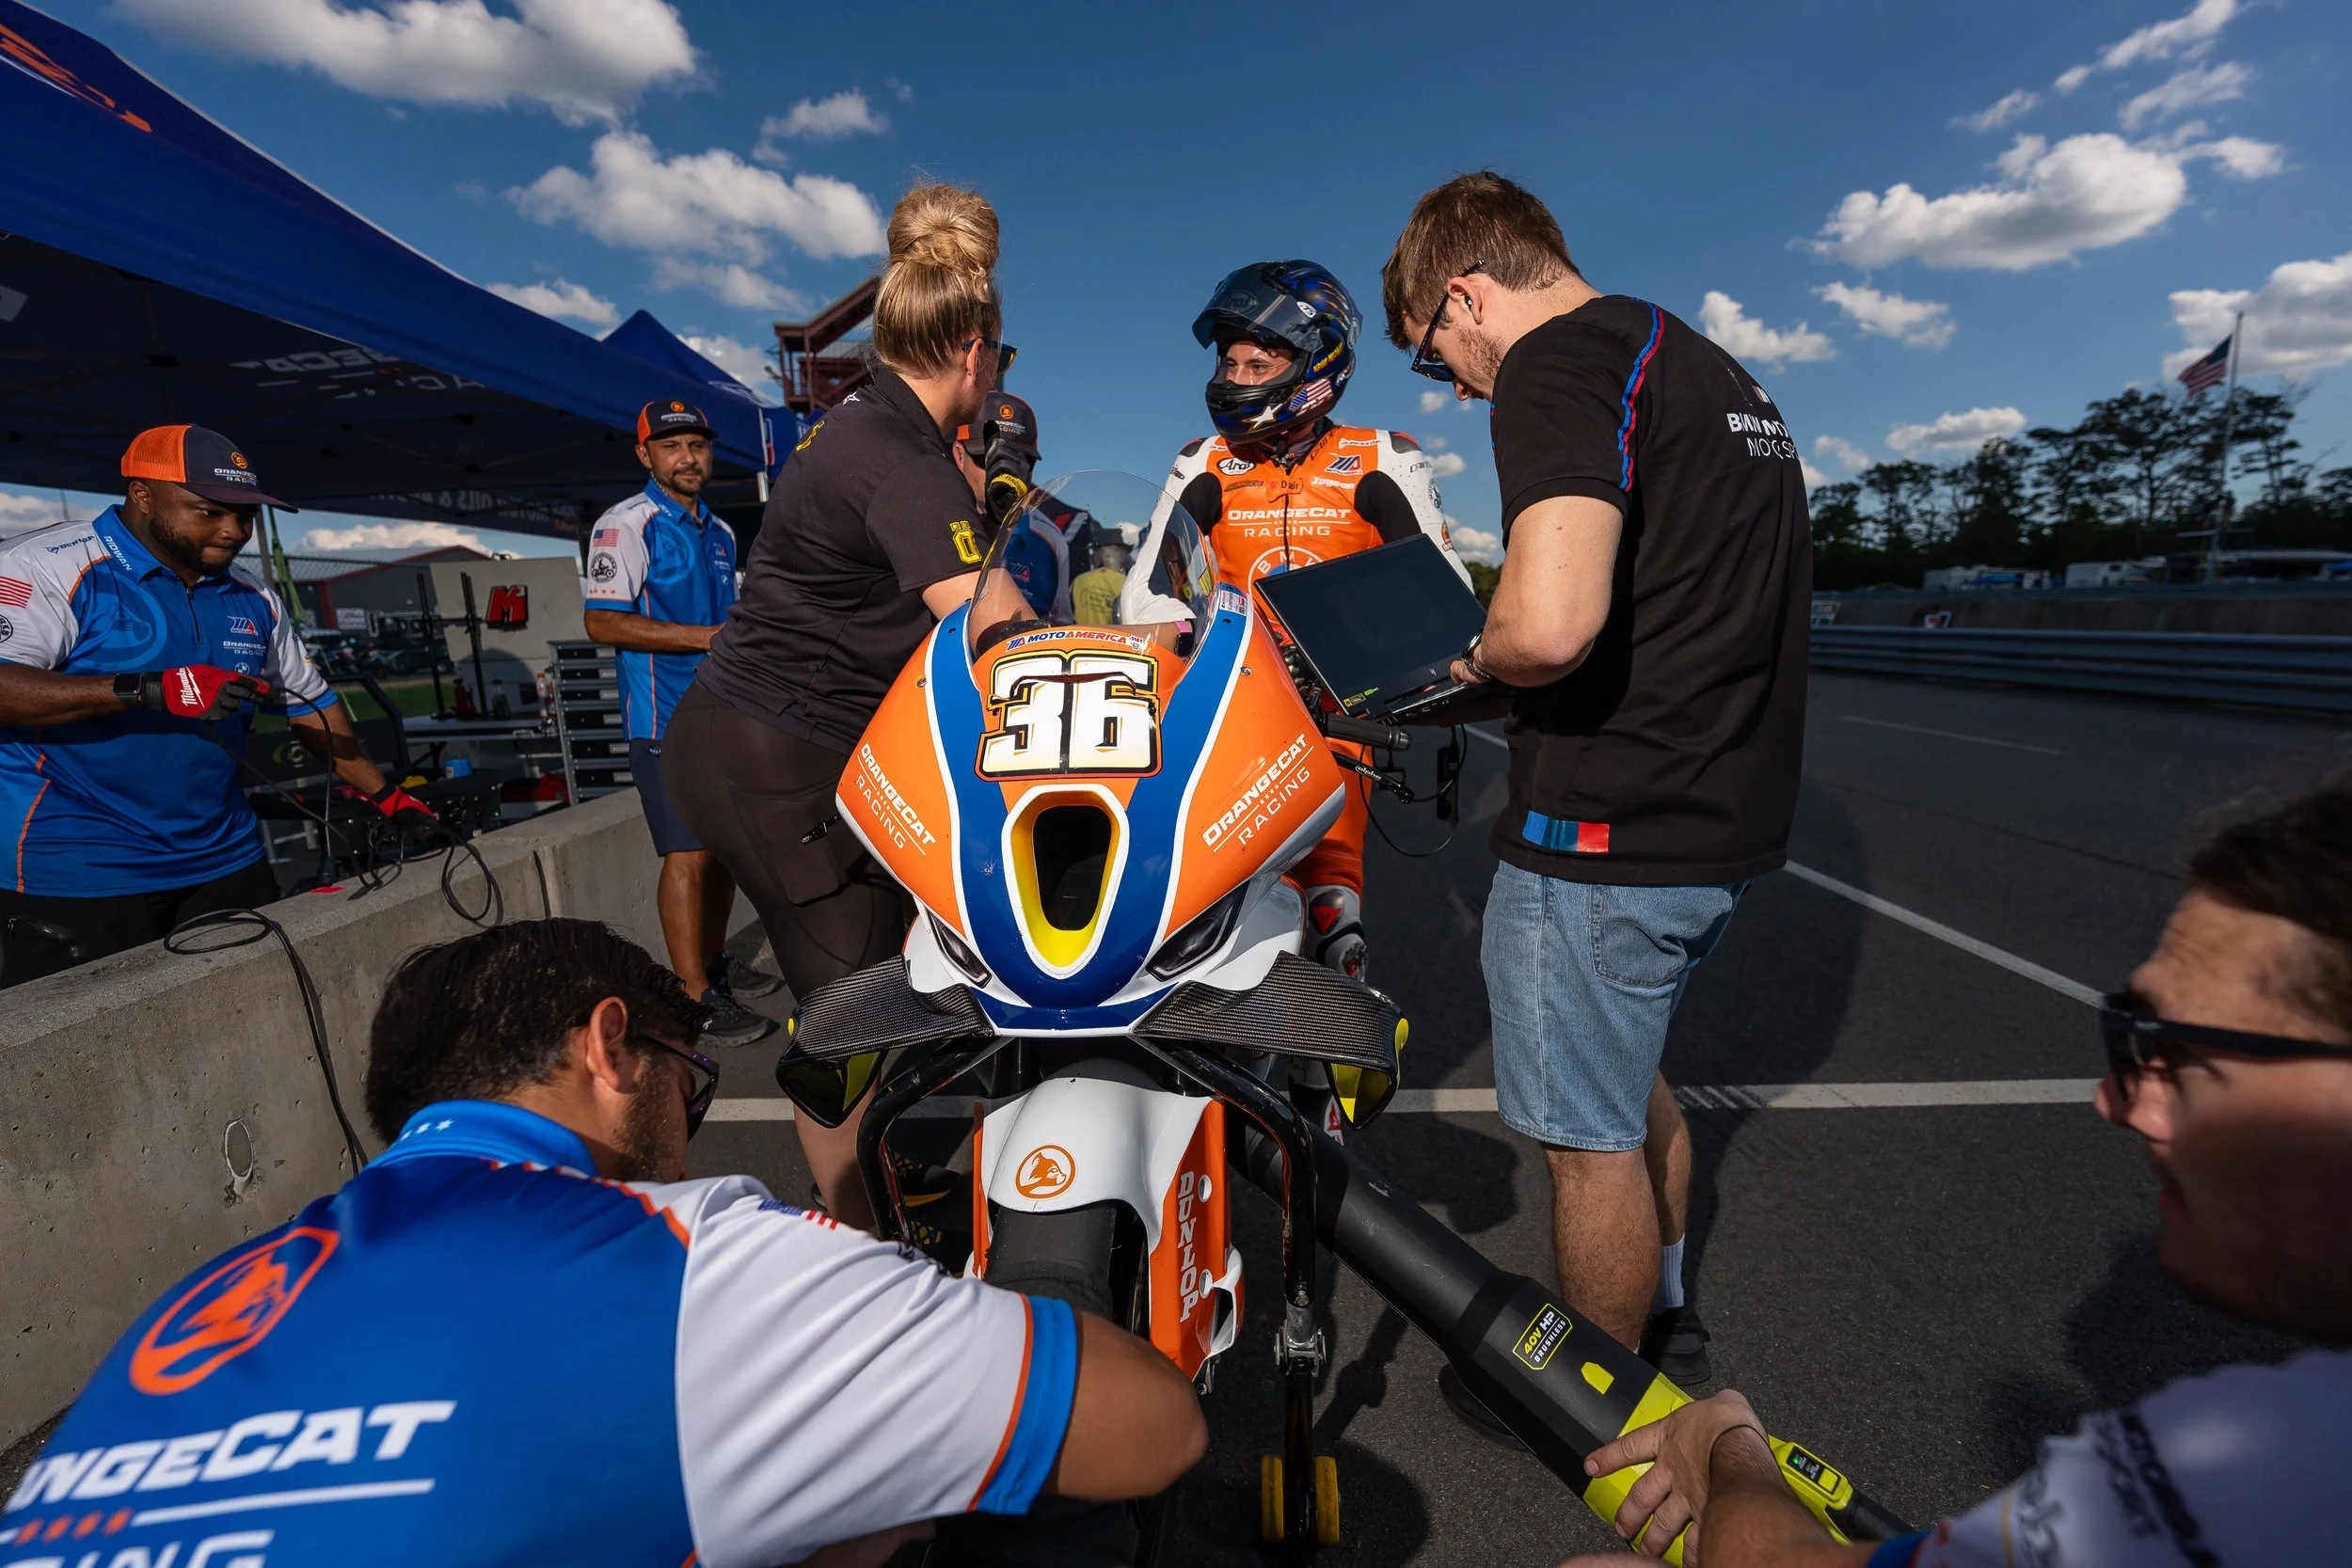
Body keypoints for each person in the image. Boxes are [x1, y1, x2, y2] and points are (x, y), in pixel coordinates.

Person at [0, 918, 1204, 1567]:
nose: (687, 1118)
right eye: (688, 1078)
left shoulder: (184, 1313)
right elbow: (1149, 1424)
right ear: (609, 1045)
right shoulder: (690, 1260)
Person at [1554, 786, 2352, 1567]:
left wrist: (1730, 1445)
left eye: (2182, 1054)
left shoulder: (2261, 1452)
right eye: (2132, 1040)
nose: (2118, 1099)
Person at [1380, 173, 1810, 1396]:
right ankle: (1667, 1314)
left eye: (1434, 356)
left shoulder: (1556, 364)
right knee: (1632, 1084)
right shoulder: (1707, 365)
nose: (1459, 388)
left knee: (1588, 1146)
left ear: (1463, 292)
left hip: (1604, 832)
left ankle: (1604, 1407)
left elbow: (1549, 624)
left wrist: (1462, 666)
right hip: (1715, 823)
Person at [665, 182, 1008, 1227]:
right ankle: (860, 1232)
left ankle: (880, 1176)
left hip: (759, 736)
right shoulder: (896, 457)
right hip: (776, 757)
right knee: (847, 1004)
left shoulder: (863, 426)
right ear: (973, 348)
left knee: (887, 966)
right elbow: (997, 630)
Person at [0, 425, 427, 989]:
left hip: (225, 859)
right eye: (208, 511)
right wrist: (146, 688)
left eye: (245, 516)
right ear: (143, 494)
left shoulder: (252, 594)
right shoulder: (47, 565)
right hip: (81, 868)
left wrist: (385, 795)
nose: (233, 531)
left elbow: (312, 705)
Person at [1163, 260, 1470, 989]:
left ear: (1313, 363)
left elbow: (1448, 598)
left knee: (1335, 927)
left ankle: (1326, 1090)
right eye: (1229, 361)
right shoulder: (1202, 461)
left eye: (1256, 361)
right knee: (1203, 921)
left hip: (1338, 731)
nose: (1235, 376)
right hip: (1228, 723)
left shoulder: (1385, 456)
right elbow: (1149, 599)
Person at [579, 399, 780, 1049]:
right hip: (663, 722)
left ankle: (712, 966)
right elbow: (601, 622)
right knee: (687, 854)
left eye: (698, 445)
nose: (688, 457)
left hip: (719, 717)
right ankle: (690, 994)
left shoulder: (719, 531)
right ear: (645, 455)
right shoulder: (626, 524)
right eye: (672, 447)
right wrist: (702, 638)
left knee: (720, 851)